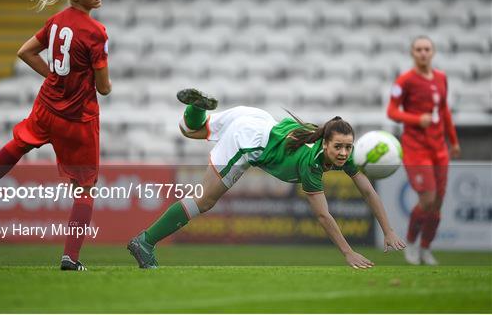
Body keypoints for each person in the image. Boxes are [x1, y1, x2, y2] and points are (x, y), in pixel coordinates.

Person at [127, 89, 406, 269]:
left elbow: (368, 192)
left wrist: (388, 230)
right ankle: (145, 241)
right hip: (248, 140)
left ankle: (197, 108)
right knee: (204, 201)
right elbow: (323, 216)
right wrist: (348, 252)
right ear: (324, 144)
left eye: (348, 146)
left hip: (257, 119)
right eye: (338, 147)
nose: (344, 152)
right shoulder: (311, 165)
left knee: (191, 130)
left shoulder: (346, 153)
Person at [0, 0, 111, 271]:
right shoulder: (96, 32)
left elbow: (25, 51)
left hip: (47, 107)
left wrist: (54, 75)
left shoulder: (56, 22)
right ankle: (71, 258)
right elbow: (103, 88)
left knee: (18, 144)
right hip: (78, 119)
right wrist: (95, 79)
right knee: (85, 189)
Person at [387, 36, 460, 266]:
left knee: (437, 204)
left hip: (439, 149)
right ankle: (410, 243)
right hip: (416, 149)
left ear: (433, 52)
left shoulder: (441, 78)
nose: (423, 53)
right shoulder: (405, 80)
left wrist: (453, 140)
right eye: (418, 49)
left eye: (427, 49)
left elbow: (444, 110)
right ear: (412, 53)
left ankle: (425, 248)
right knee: (427, 200)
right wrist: (417, 118)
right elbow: (392, 111)